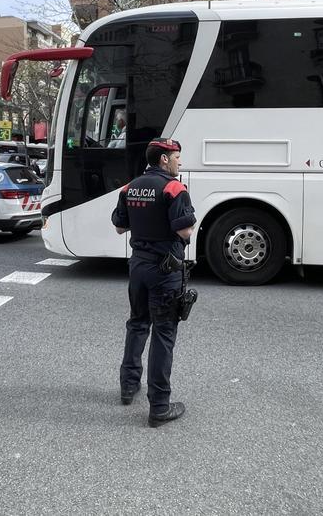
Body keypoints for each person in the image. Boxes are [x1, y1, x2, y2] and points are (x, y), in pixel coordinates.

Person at [111, 138, 196, 428]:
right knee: (163, 333)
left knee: (137, 323)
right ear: (163, 159)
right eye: (176, 157)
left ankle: (128, 386)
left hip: (138, 267)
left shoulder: (130, 187)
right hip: (165, 270)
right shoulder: (174, 188)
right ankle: (159, 406)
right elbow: (184, 231)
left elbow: (121, 226)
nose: (179, 162)